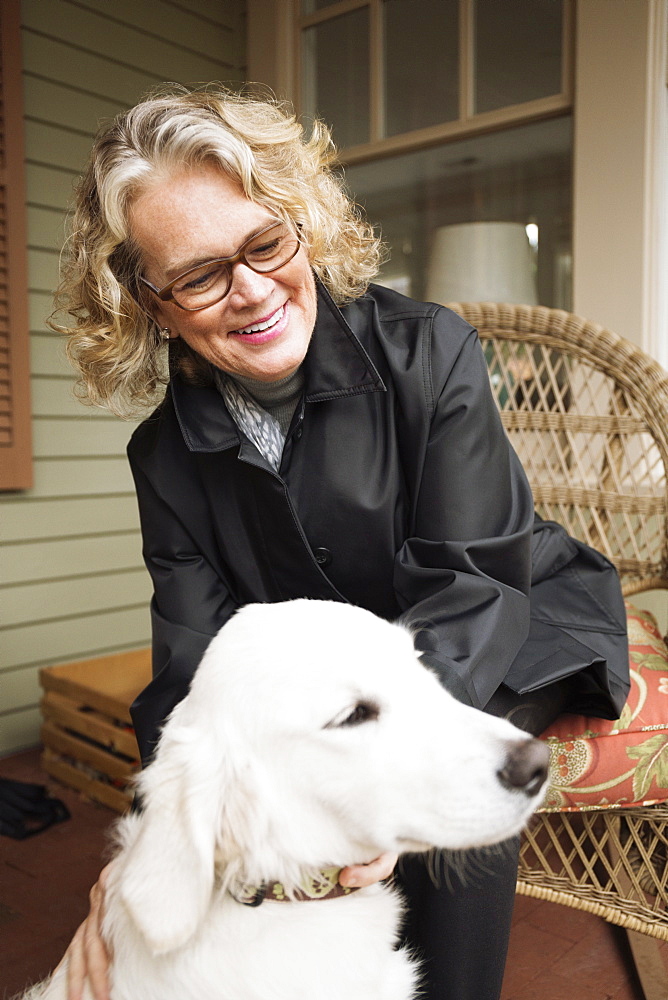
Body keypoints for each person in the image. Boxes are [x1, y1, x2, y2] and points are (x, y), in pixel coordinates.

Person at [53, 84, 629, 1000]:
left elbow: (478, 581)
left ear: (302, 228)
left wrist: (376, 788)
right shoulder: (161, 455)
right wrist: (154, 853)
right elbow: (190, 673)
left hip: (506, 617)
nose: (250, 290)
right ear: (153, 305)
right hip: (339, 684)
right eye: (200, 274)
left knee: (446, 770)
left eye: (264, 244)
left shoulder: (430, 350)